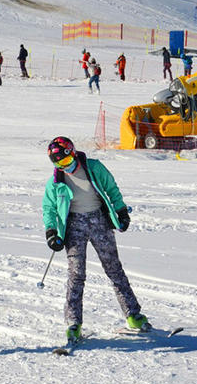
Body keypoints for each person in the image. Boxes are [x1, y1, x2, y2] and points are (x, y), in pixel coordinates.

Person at [42, 136, 148, 344]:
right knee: (76, 274)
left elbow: (112, 189)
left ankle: (133, 315)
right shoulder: (55, 183)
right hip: (74, 226)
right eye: (59, 164)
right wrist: (52, 231)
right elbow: (49, 208)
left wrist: (121, 211)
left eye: (65, 161)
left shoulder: (94, 168)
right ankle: (73, 323)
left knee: (114, 268)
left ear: (72, 153)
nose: (65, 167)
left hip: (99, 220)